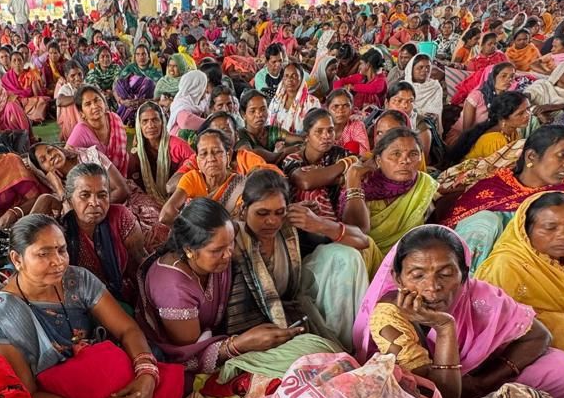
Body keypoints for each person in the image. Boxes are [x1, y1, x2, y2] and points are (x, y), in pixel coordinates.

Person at [0, 215, 183, 398]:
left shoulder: (78, 280)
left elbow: (127, 329)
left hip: (110, 380)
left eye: (62, 250)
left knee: (156, 360)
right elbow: (27, 393)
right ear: (17, 259)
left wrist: (146, 379)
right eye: (43, 254)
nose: (58, 261)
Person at [352, 224, 564, 398]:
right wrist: (444, 328)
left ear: (464, 274)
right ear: (398, 278)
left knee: (562, 367)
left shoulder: (480, 296)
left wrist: (485, 381)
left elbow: (539, 336)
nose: (432, 287)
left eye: (446, 273)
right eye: (417, 275)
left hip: (476, 382)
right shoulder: (390, 314)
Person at [140, 198, 336, 375]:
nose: (229, 254)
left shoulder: (216, 248)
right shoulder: (174, 289)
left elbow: (250, 226)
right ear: (189, 250)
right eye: (217, 251)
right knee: (308, 356)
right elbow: (189, 358)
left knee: (317, 349)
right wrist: (240, 344)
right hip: (194, 362)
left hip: (228, 336)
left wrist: (286, 214)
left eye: (231, 243)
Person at [474, 192, 564, 398]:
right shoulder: (506, 264)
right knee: (563, 327)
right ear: (526, 230)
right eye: (550, 227)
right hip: (515, 360)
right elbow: (488, 338)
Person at [231, 169, 370, 351]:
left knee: (346, 256)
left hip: (293, 307)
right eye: (262, 213)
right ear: (243, 210)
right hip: (252, 328)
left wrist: (319, 224)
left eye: (279, 212)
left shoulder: (289, 231)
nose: (272, 221)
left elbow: (363, 240)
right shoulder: (232, 240)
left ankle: (350, 346)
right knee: (311, 352)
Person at [444, 125, 564, 267]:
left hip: (536, 269)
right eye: (563, 155)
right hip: (485, 269)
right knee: (485, 221)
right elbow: (451, 231)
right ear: (531, 156)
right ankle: (467, 284)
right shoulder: (493, 188)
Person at [343, 127, 438, 261]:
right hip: (362, 260)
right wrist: (353, 181)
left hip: (407, 263)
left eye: (413, 154)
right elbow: (357, 232)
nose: (405, 161)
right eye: (396, 154)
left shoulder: (424, 185)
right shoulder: (363, 185)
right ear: (378, 160)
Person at [60, 163, 146, 307]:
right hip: (81, 304)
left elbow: (139, 263)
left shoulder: (120, 217)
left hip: (123, 295)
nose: (94, 202)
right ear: (70, 200)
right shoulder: (61, 230)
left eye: (102, 195)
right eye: (85, 195)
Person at [159, 128, 246, 225]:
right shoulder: (192, 179)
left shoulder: (240, 185)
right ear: (197, 160)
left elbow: (240, 222)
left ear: (228, 155)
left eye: (217, 152)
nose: (210, 159)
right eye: (204, 154)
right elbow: (165, 215)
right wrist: (194, 230)